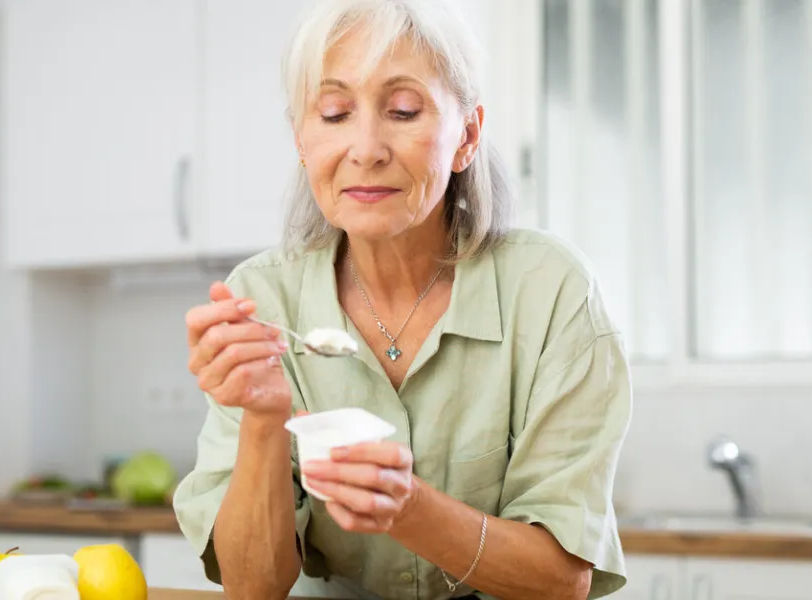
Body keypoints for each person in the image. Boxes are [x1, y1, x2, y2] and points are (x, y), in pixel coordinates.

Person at [172, 0, 632, 598]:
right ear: (302, 141)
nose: (366, 148)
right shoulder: (260, 301)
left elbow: (560, 580)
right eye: (335, 113)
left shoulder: (551, 293)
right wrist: (263, 421)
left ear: (466, 136)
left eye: (403, 110)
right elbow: (253, 587)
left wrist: (408, 508)